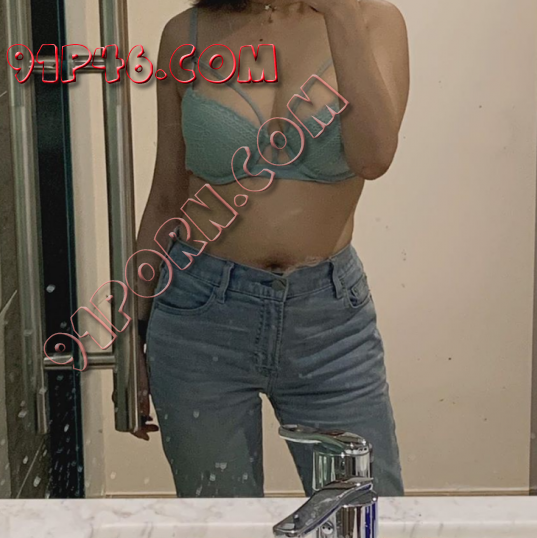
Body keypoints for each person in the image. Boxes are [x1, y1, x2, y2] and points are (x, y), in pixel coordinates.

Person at [133, 0, 410, 498]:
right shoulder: (186, 34)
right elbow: (166, 196)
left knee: (365, 519)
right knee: (221, 529)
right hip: (199, 315)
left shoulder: (374, 23)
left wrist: (342, 15)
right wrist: (131, 336)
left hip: (329, 327)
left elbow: (374, 157)